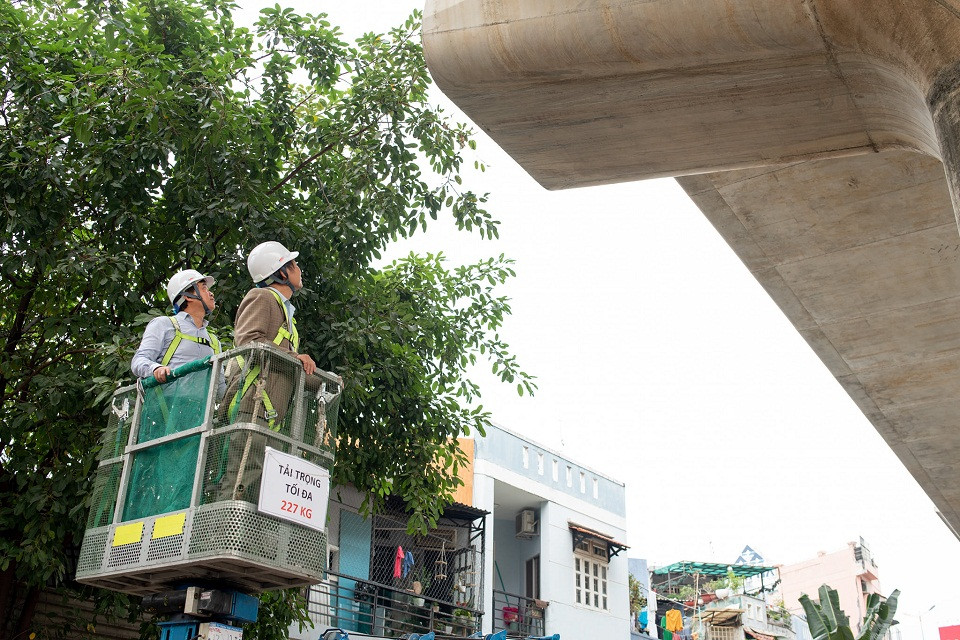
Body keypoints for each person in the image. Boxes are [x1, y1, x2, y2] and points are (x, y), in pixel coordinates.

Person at [131, 268, 224, 393]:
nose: (211, 293)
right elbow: (138, 361)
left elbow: (220, 385)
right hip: (165, 404)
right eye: (204, 288)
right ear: (188, 296)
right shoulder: (164, 324)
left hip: (200, 406)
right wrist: (155, 369)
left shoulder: (213, 341)